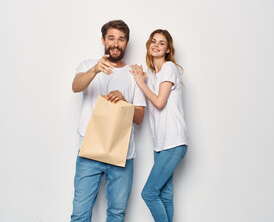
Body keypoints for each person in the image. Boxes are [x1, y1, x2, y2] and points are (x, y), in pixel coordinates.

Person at [71, 20, 146, 222]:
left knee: (116, 214)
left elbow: (139, 117)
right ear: (103, 40)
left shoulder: (134, 74)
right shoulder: (88, 65)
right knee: (80, 214)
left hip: (122, 155)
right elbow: (76, 86)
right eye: (111, 38)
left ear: (127, 43)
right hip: (89, 151)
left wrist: (124, 101)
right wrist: (95, 70)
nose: (115, 43)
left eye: (121, 39)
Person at [130, 29, 188, 222]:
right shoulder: (152, 75)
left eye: (161, 43)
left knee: (149, 193)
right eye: (153, 41)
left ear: (168, 50)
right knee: (163, 196)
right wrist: (142, 80)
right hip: (160, 145)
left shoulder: (169, 67)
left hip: (174, 141)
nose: (155, 45)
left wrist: (140, 83)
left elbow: (160, 102)